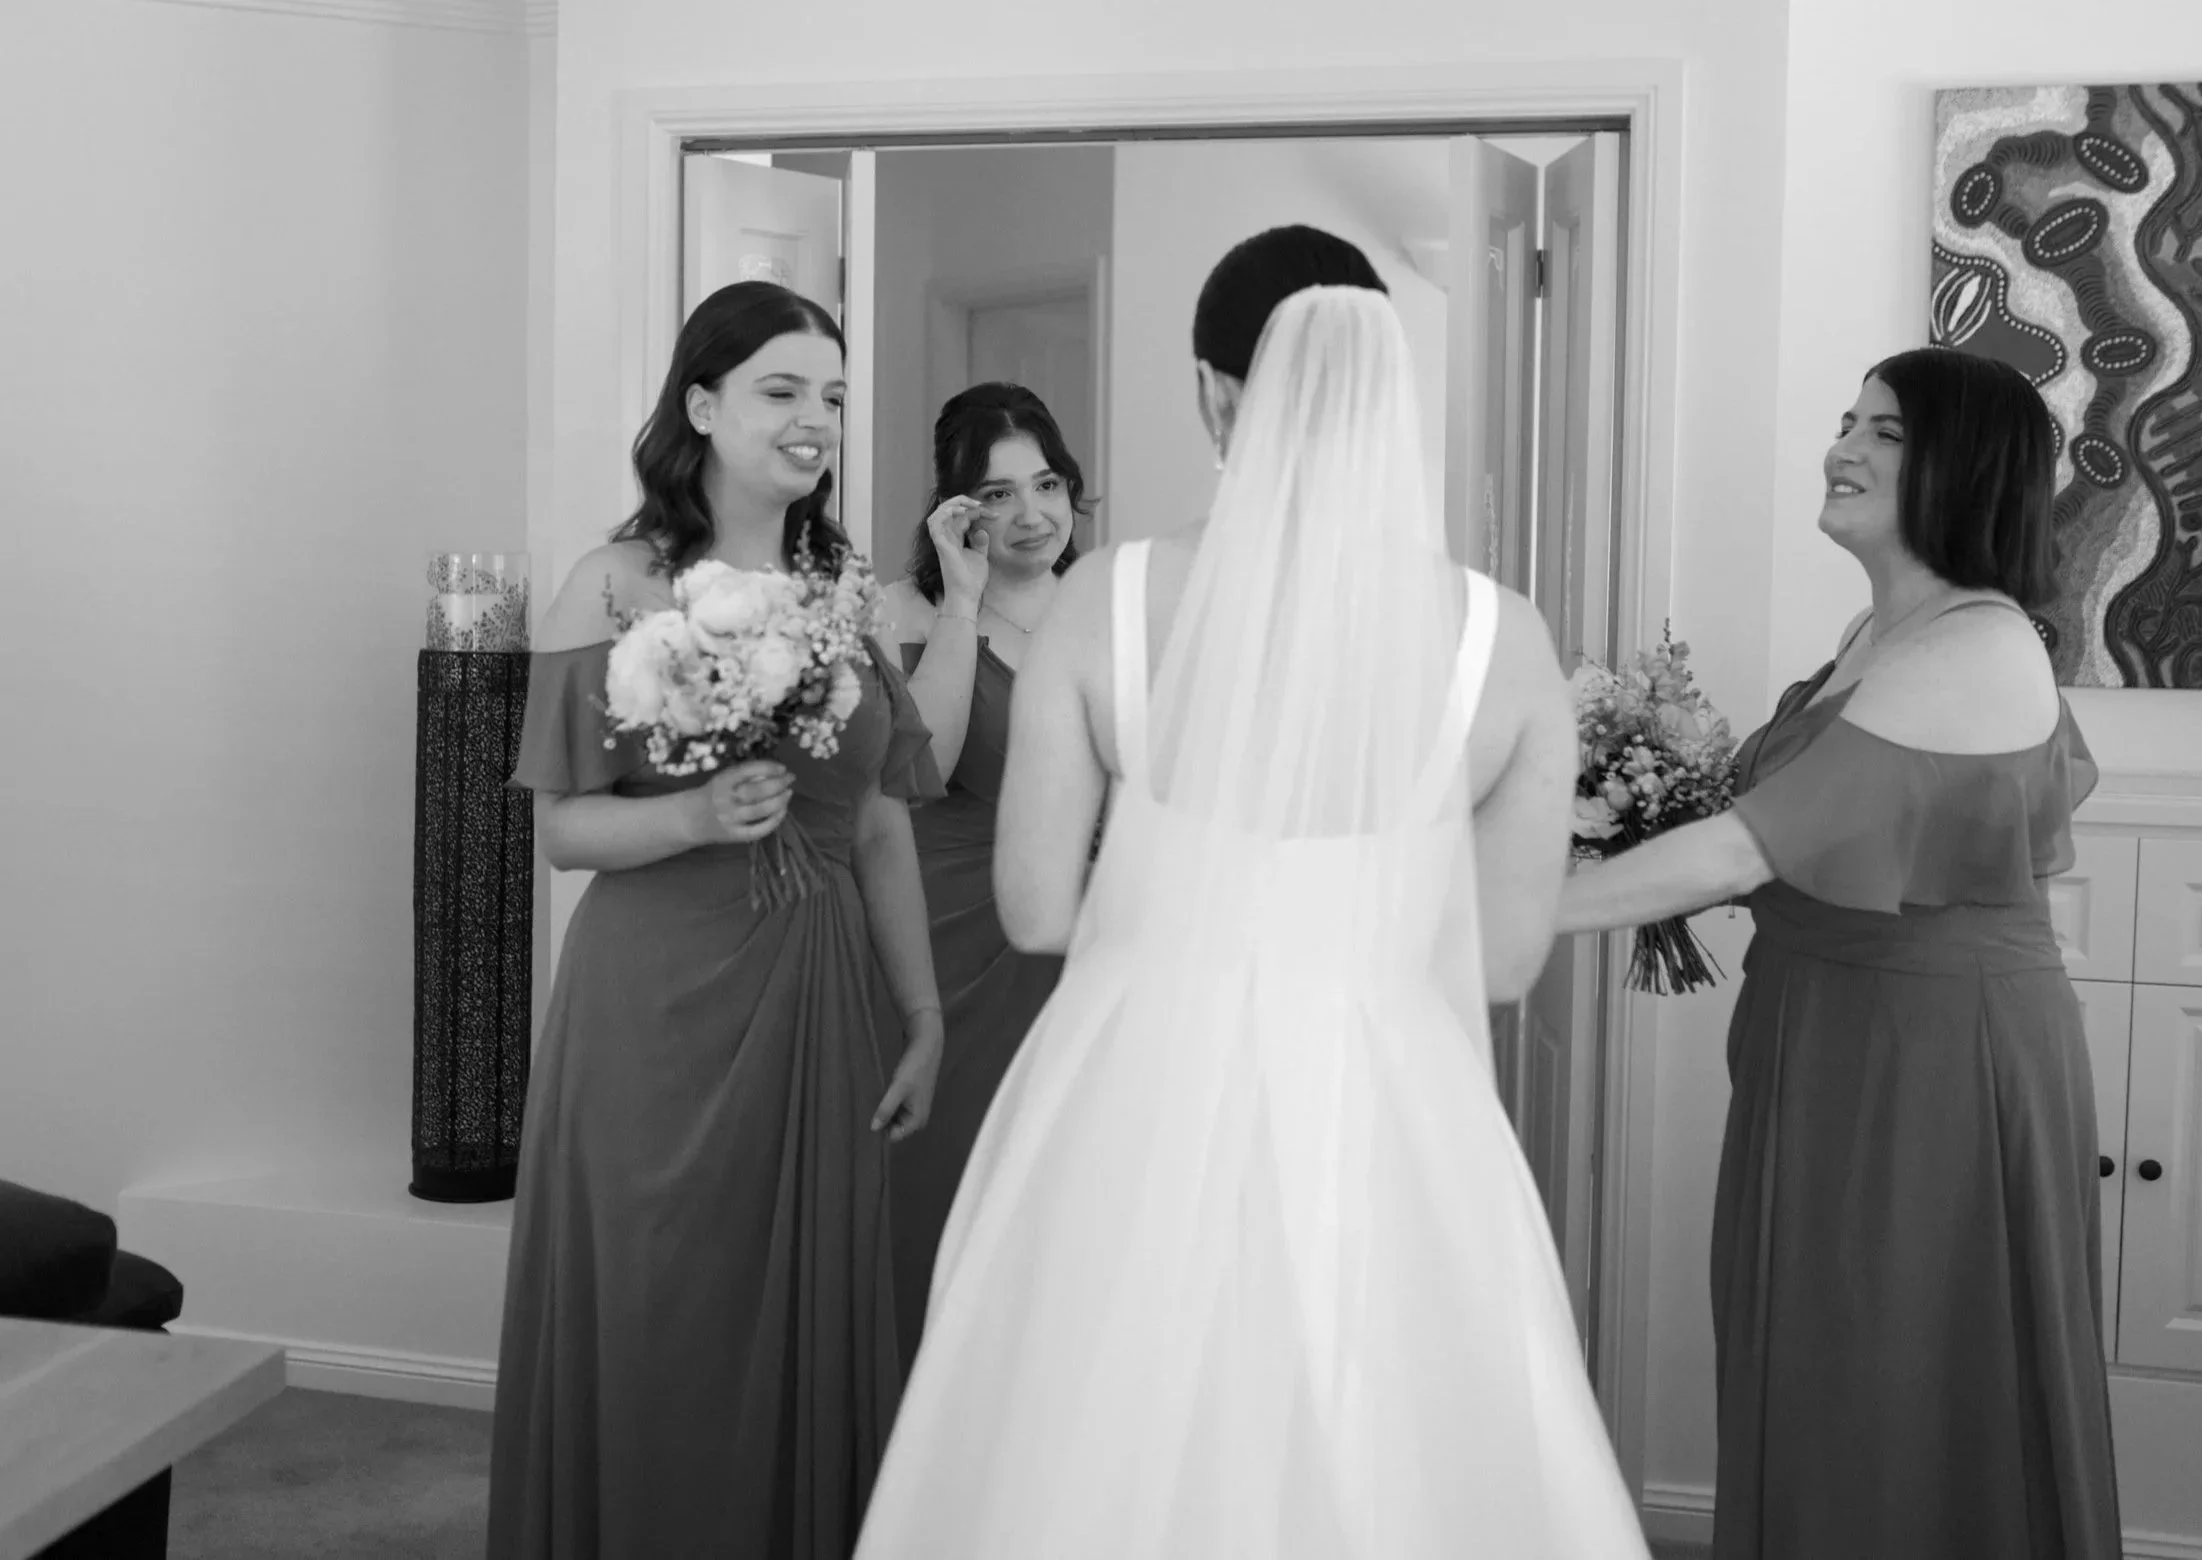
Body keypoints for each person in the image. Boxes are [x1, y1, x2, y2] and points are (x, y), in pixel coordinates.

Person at [853, 226, 1650, 1559]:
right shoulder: (1500, 634)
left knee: (1093, 1444)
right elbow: (1506, 963)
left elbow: (1039, 911)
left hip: (1135, 1084)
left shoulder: (1106, 600)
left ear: (1215, 393)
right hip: (1388, 1091)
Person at [1553, 347, 2122, 1559]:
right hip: (1832, 1038)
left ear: (1967, 469)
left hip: (1933, 1067)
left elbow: (1745, 852)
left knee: (1894, 1374)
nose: (1841, 448)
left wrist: (1479, 905)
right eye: (1845, 420)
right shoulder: (1881, 628)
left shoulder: (1975, 645)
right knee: (1821, 1357)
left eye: (1887, 433)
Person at [488, 281, 947, 1560]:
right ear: (703, 404)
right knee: (660, 1313)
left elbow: (878, 823)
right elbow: (567, 831)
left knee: (806, 1312)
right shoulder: (615, 584)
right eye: (783, 390)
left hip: (818, 998)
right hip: (654, 1013)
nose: (816, 423)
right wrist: (692, 820)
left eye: (835, 399)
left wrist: (919, 1013)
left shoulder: (845, 591)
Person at [878, 382, 1088, 1362]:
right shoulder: (909, 613)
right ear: (956, 509)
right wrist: (963, 605)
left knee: (1070, 1213)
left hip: (1088, 940)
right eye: (998, 494)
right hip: (958, 937)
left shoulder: (1109, 607)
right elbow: (921, 769)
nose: (1033, 514)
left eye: (1045, 483)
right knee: (955, 1192)